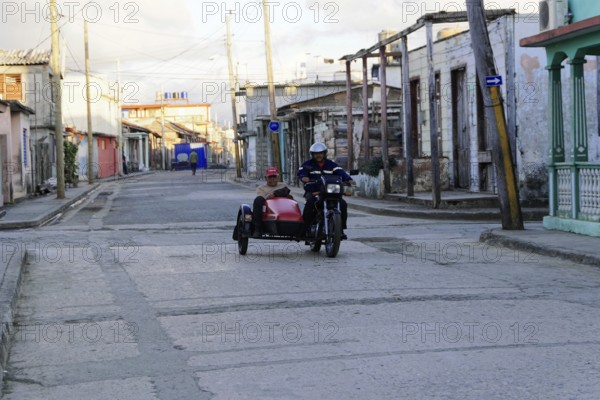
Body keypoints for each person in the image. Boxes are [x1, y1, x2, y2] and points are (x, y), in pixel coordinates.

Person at [298, 143, 355, 239]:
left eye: (320, 153)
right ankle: (305, 229)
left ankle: (340, 229)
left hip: (330, 192)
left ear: (324, 153)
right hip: (314, 191)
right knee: (311, 204)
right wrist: (304, 177)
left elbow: (341, 172)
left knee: (343, 204)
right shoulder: (307, 165)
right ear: (312, 154)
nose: (318, 155)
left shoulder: (331, 165)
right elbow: (301, 173)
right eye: (316, 154)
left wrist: (349, 180)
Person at [252, 167, 291, 237]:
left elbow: (287, 193)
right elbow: (261, 198)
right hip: (268, 209)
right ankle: (257, 228)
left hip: (282, 207)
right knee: (258, 200)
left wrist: (274, 194)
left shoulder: (283, 185)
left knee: (291, 199)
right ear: (266, 178)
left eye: (274, 177)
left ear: (277, 177)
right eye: (270, 177)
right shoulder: (261, 188)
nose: (272, 179)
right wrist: (269, 196)